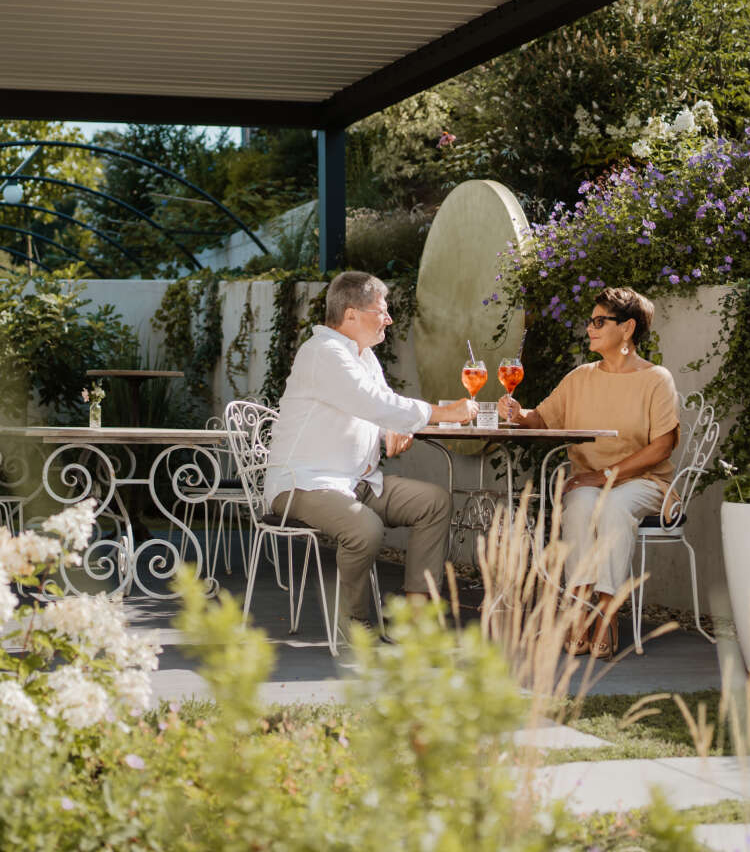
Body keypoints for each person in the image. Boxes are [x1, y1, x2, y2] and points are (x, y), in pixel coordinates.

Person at [265, 271, 478, 635]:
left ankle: (416, 615)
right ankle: (354, 623)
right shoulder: (323, 353)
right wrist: (444, 413)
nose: (389, 319)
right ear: (351, 314)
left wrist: (390, 426)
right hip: (304, 484)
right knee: (365, 528)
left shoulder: (363, 357)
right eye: (381, 310)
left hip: (357, 482)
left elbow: (371, 407)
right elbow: (370, 400)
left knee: (434, 502)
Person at [496, 286, 680, 659]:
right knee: (579, 505)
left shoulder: (656, 379)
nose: (590, 328)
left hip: (644, 483)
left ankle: (607, 616)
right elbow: (542, 419)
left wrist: (606, 474)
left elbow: (663, 445)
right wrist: (518, 413)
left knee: (612, 508)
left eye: (600, 321)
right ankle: (580, 610)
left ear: (627, 329)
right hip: (589, 483)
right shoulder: (580, 377)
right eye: (590, 321)